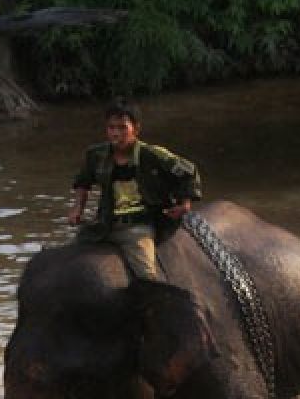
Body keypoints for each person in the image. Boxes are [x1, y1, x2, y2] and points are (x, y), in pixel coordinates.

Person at [68, 100, 202, 281]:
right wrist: (78, 209)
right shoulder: (96, 155)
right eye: (111, 127)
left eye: (122, 128)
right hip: (104, 224)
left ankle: (155, 303)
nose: (116, 133)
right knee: (70, 263)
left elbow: (188, 171)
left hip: (137, 227)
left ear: (136, 129)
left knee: (147, 276)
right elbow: (83, 183)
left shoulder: (152, 155)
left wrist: (184, 203)